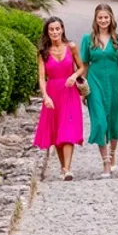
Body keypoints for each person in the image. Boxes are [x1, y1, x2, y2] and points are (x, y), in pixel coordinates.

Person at [33, 16, 86, 181]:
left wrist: (74, 75)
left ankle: (68, 169)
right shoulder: (43, 52)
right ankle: (63, 167)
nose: (55, 32)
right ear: (47, 32)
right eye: (51, 30)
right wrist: (45, 96)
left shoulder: (71, 47)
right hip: (53, 92)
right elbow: (42, 77)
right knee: (57, 131)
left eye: (58, 29)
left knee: (68, 129)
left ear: (62, 30)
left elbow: (82, 67)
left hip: (69, 91)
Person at [81, 3, 118, 177]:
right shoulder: (88, 39)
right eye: (100, 17)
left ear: (111, 18)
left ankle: (113, 153)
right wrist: (82, 90)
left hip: (115, 82)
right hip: (95, 82)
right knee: (100, 122)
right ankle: (105, 162)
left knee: (114, 121)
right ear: (95, 19)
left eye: (106, 17)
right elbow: (84, 65)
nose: (103, 20)